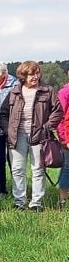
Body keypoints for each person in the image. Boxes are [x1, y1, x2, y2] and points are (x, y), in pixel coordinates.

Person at [0, 61, 63, 211]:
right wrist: (8, 130)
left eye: (37, 73)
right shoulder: (14, 92)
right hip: (17, 136)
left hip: (40, 136)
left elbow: (58, 111)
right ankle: (19, 201)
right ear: (23, 76)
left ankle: (36, 203)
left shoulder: (47, 91)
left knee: (38, 169)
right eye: (31, 74)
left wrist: (47, 127)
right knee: (17, 169)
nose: (35, 77)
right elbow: (3, 114)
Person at [0, 62, 18, 196]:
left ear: (3, 74)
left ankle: (17, 189)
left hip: (12, 127)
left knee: (13, 159)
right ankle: (1, 189)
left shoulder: (15, 85)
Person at [58, 69, 69, 208]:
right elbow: (59, 117)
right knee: (67, 167)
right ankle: (62, 199)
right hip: (67, 135)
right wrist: (65, 138)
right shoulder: (64, 92)